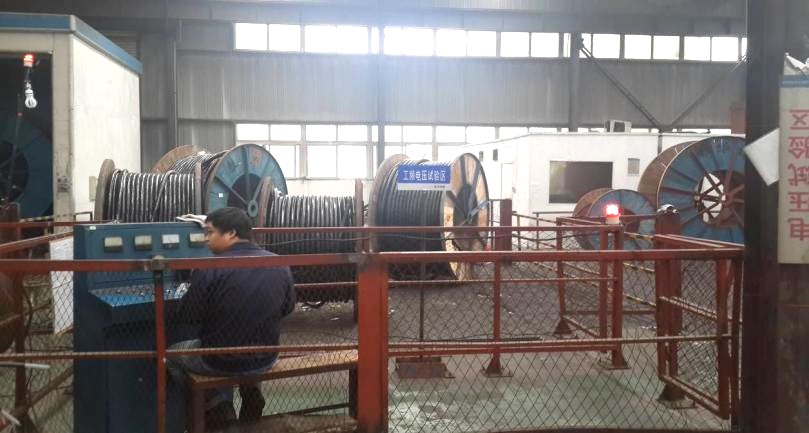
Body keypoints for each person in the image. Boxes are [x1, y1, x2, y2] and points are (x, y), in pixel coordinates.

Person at [168, 207, 295, 427]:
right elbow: (288, 307)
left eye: (210, 232)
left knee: (170, 356)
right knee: (247, 344)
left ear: (231, 233)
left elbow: (189, 316)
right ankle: (251, 394)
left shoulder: (209, 268)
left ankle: (216, 404)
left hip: (218, 360)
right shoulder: (279, 263)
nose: (206, 239)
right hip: (266, 357)